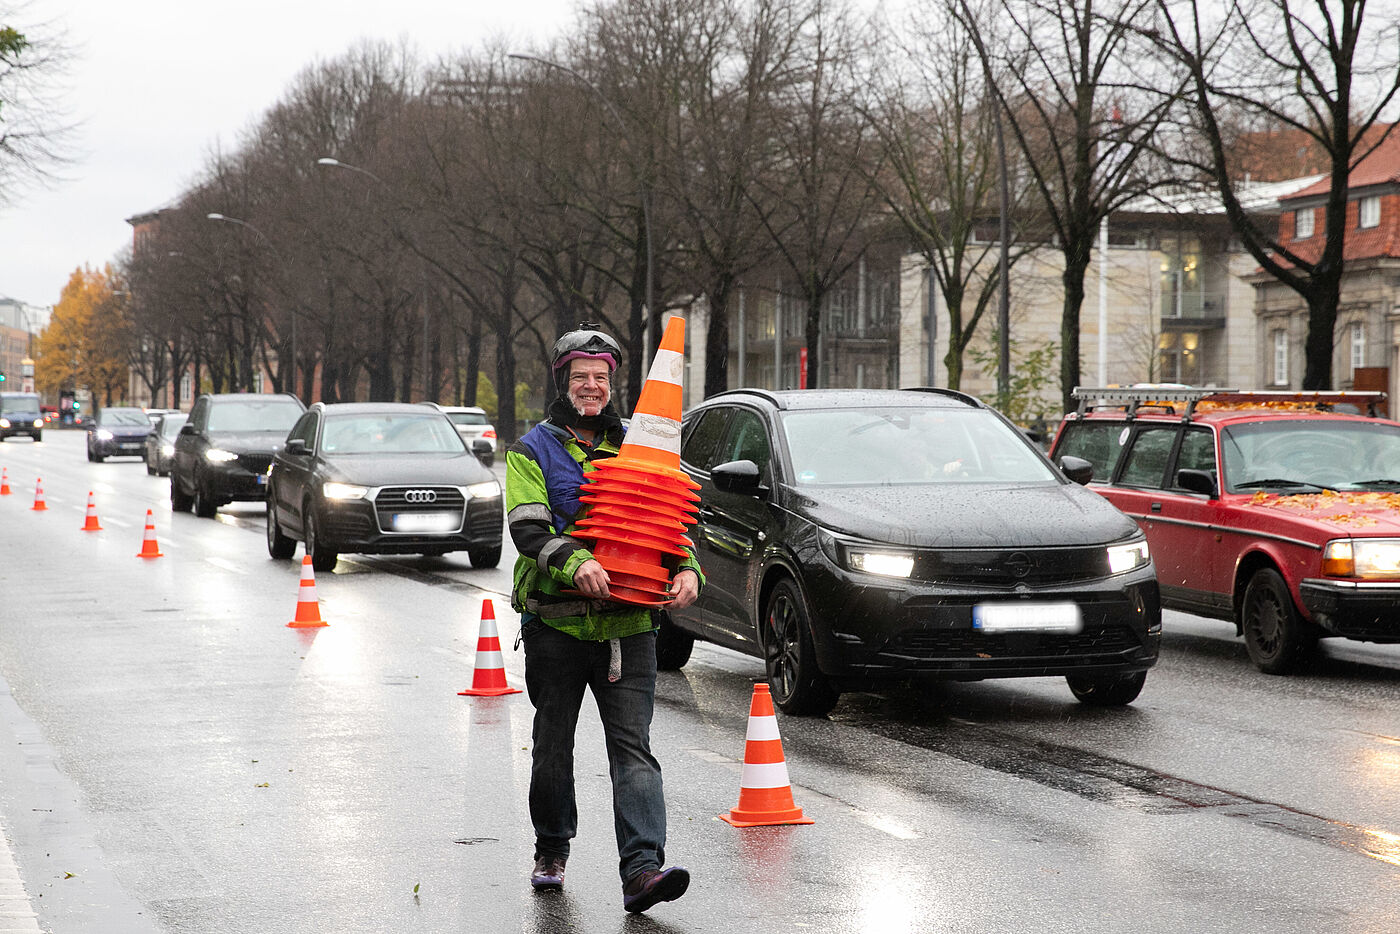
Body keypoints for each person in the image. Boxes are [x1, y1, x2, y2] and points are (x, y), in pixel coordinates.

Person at [505, 324, 703, 914]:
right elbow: (528, 529)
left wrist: (687, 569)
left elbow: (666, 526)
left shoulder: (641, 449)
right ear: (563, 381)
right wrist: (576, 560)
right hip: (557, 625)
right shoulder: (530, 450)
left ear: (613, 385)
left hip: (628, 629)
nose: (591, 387)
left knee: (633, 750)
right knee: (552, 745)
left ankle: (643, 871)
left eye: (601, 378)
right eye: (580, 378)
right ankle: (551, 850)